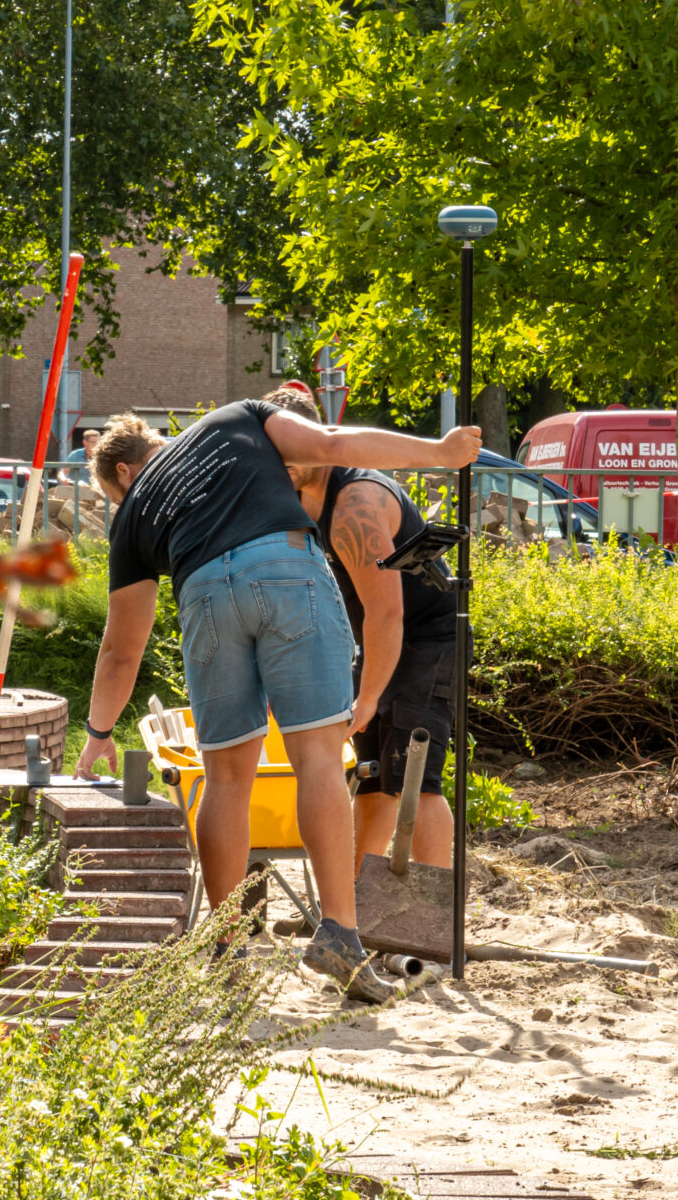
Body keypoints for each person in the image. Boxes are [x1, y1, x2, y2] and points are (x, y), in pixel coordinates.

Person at [74, 399, 481, 982]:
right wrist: (440, 454)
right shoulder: (232, 419)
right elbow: (334, 443)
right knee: (317, 759)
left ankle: (228, 944)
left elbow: (121, 649)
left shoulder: (134, 511)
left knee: (225, 778)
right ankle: (340, 932)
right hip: (286, 569)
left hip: (204, 594)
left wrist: (98, 734)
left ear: (124, 476)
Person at [272, 392, 459, 870]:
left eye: (291, 449)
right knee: (373, 776)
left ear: (317, 441)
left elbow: (387, 612)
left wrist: (370, 695)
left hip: (427, 638)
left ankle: (429, 915)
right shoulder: (292, 496)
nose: (282, 462)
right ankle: (355, 905)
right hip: (371, 638)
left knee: (416, 778)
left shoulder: (358, 502)